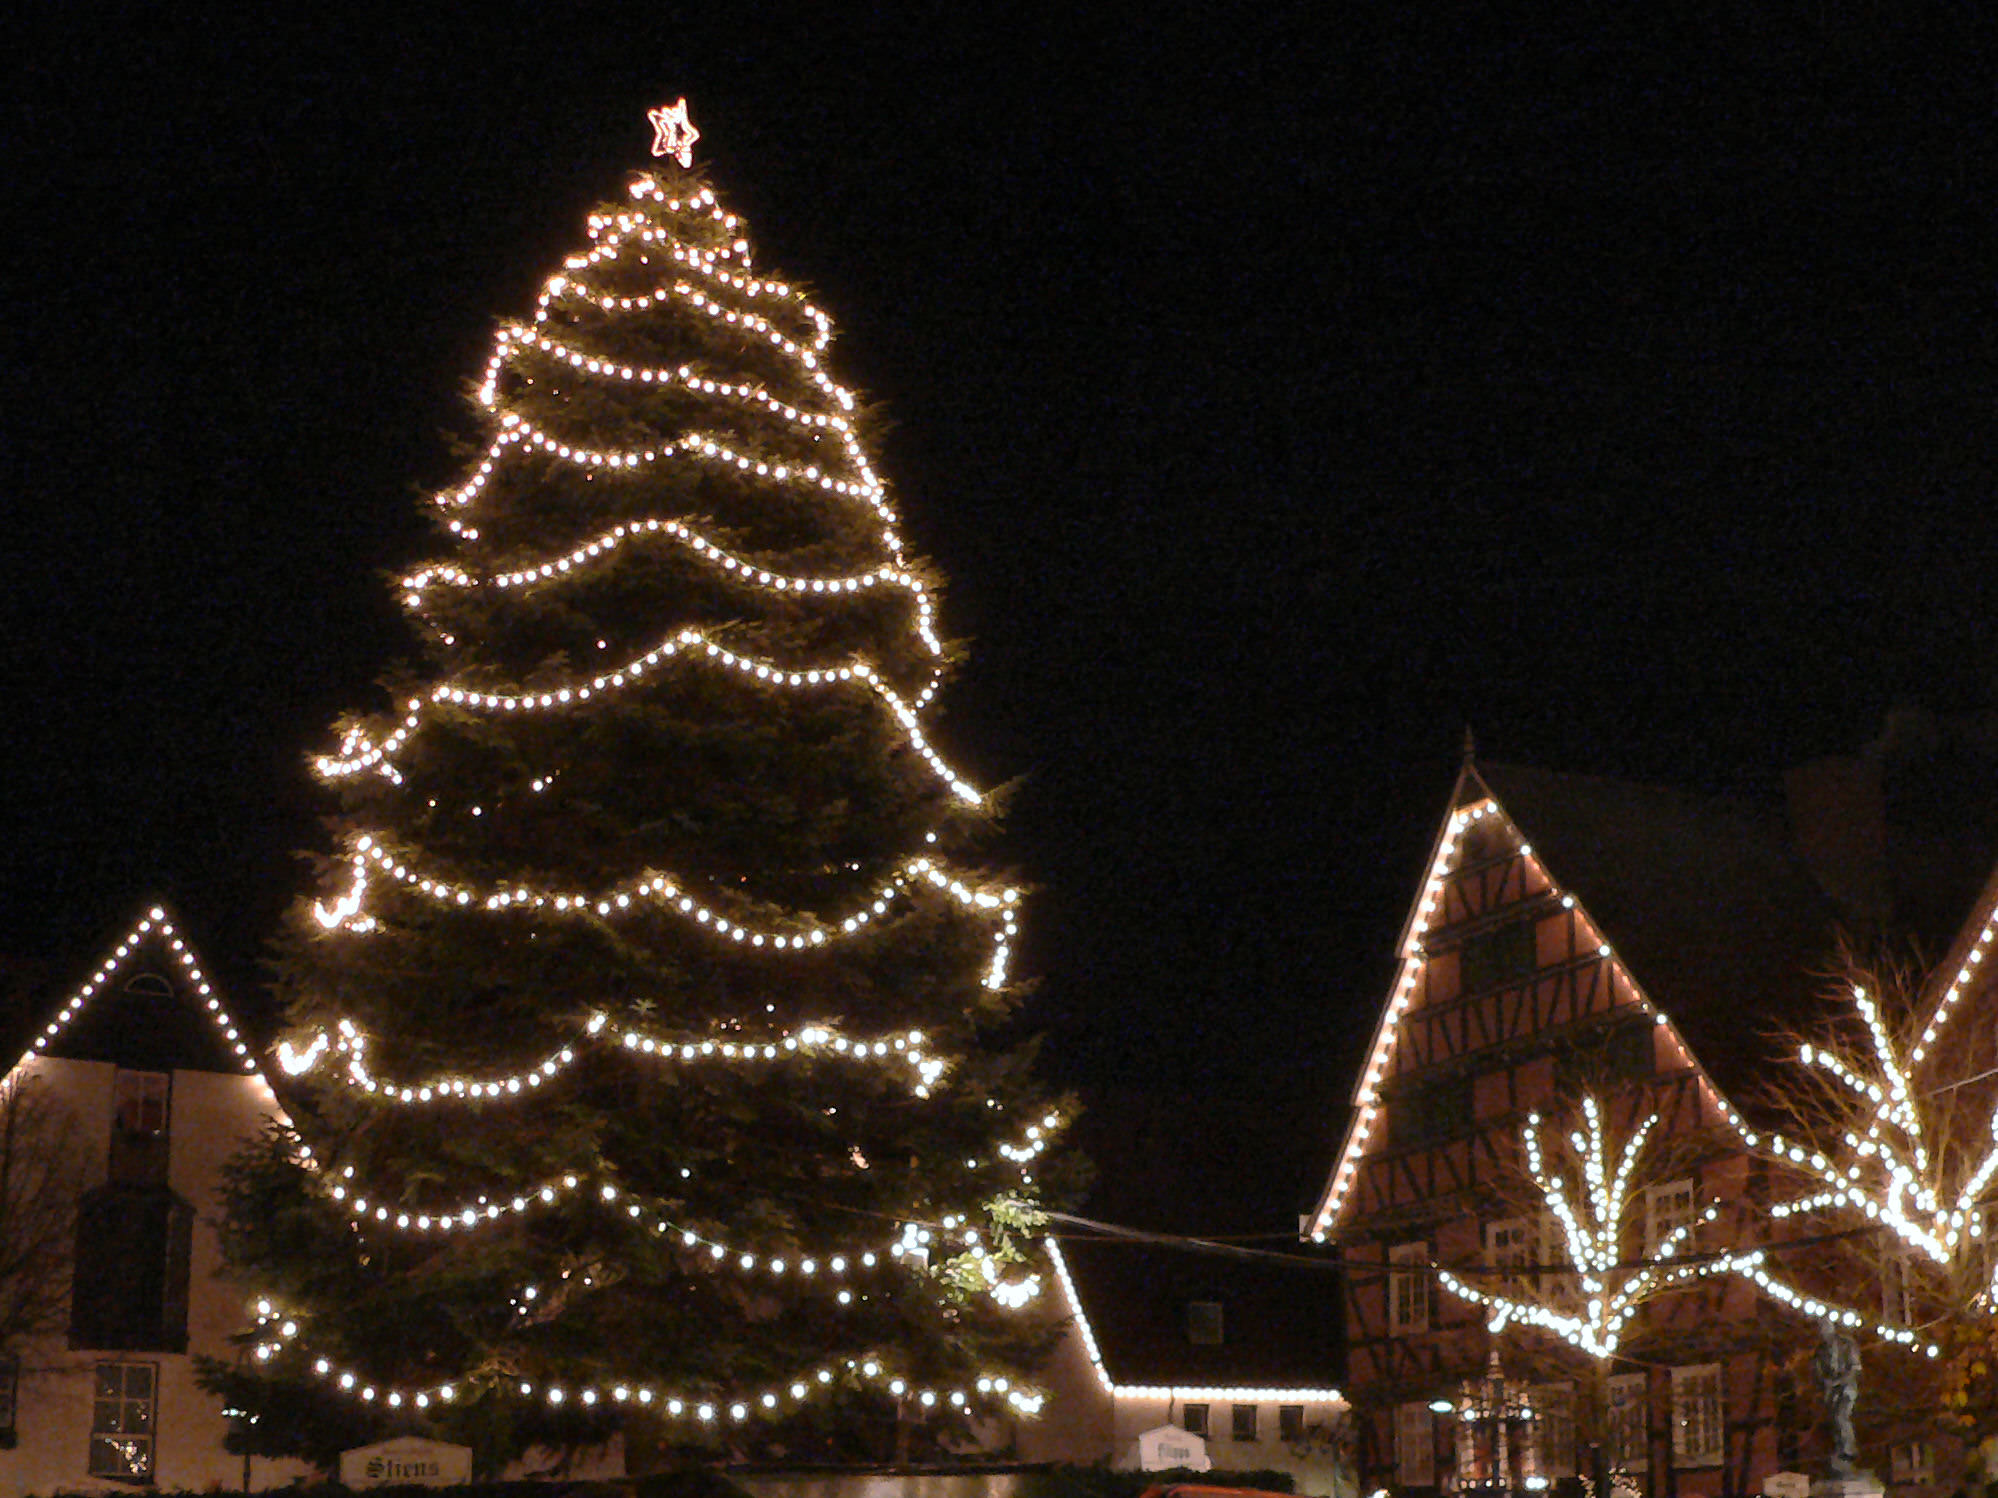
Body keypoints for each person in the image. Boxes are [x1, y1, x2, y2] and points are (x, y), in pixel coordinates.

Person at [1814, 1318, 1861, 1474]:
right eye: (1821, 1330)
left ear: (1832, 1328)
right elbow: (1818, 1372)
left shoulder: (1846, 1344)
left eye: (1825, 1329)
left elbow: (1854, 1369)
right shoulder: (1820, 1351)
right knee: (1834, 1421)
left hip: (1847, 1388)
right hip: (1831, 1391)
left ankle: (1849, 1450)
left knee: (1841, 1415)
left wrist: (1838, 1382)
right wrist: (1826, 1384)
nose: (1823, 1333)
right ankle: (1839, 1450)